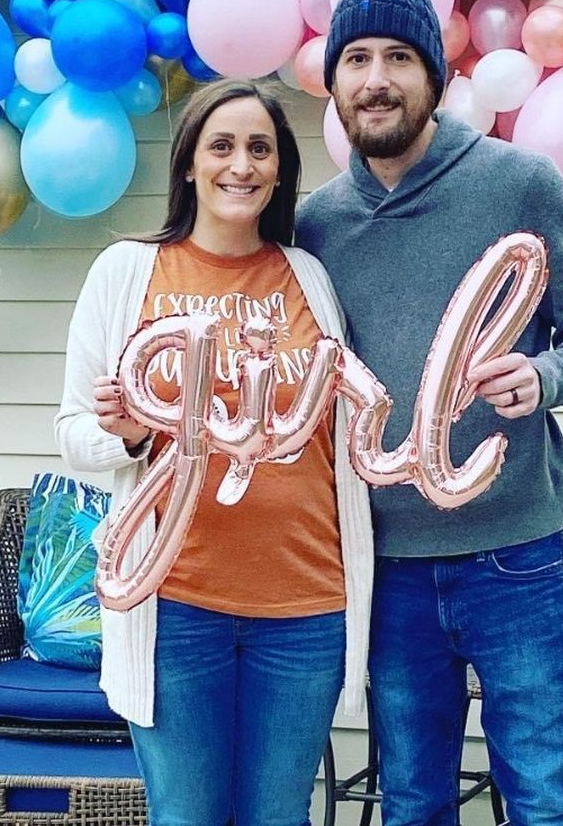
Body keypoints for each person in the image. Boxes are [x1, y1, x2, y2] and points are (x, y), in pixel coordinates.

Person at [295, 0, 563, 826]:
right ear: (334, 82)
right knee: (412, 802)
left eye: (399, 58)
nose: (377, 79)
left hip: (516, 554)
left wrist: (545, 378)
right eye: (357, 59)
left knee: (544, 798)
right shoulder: (315, 226)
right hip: (387, 566)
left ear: (436, 78)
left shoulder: (519, 183)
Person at [54, 79, 374, 825]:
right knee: (187, 816)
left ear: (281, 170)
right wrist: (128, 433)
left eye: (260, 148)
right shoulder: (126, 272)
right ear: (190, 164)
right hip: (176, 602)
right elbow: (73, 433)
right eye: (221, 146)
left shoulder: (310, 277)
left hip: (306, 602)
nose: (241, 165)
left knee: (278, 817)